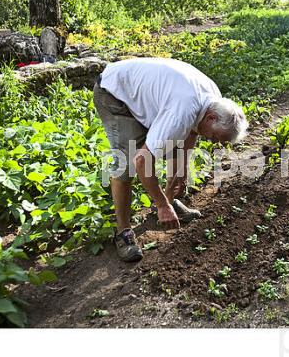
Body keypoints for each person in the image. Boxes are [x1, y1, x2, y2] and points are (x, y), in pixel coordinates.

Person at [93, 57, 248, 262]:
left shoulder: (213, 100)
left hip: (146, 94)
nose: (213, 142)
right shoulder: (181, 114)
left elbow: (192, 132)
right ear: (211, 118)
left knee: (174, 143)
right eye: (215, 137)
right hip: (115, 93)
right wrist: (160, 205)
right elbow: (142, 161)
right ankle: (123, 232)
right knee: (127, 161)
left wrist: (182, 170)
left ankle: (170, 201)